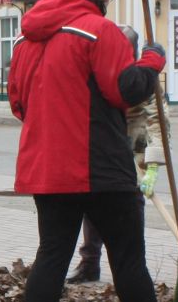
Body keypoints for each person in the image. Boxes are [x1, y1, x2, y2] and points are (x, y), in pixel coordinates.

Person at [10, 0, 177, 302]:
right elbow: (126, 90)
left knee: (51, 258)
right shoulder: (98, 31)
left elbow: (18, 104)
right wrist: (152, 61)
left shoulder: (27, 41)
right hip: (101, 165)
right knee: (127, 259)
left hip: (47, 167)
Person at [68, 54, 167, 283]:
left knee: (131, 203)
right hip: (103, 148)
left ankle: (135, 267)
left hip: (134, 147)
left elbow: (159, 123)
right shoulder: (100, 70)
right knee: (93, 201)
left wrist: (153, 165)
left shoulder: (144, 79)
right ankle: (90, 262)